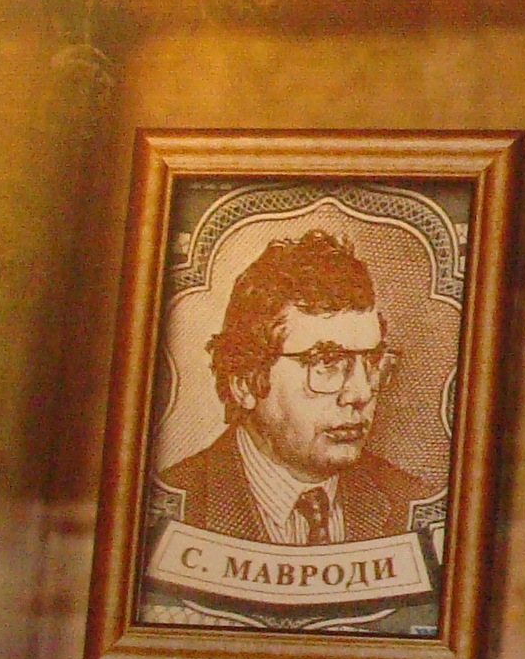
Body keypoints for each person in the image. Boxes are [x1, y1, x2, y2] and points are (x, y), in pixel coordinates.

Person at [161, 227, 432, 544]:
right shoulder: (174, 506)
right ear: (245, 382)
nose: (360, 393)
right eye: (327, 361)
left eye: (372, 360)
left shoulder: (411, 501)